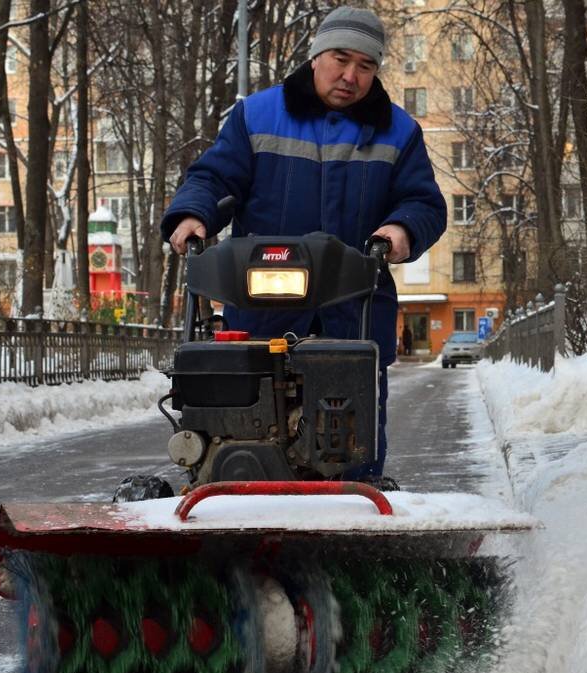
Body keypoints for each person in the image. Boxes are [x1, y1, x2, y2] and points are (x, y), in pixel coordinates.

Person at [160, 6, 446, 485]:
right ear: (316, 54)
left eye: (366, 66)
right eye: (341, 58)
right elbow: (214, 177)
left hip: (353, 307)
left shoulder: (399, 132)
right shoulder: (257, 116)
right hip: (261, 303)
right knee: (239, 415)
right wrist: (193, 214)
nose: (351, 76)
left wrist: (401, 230)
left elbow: (423, 203)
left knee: (351, 437)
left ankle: (355, 502)